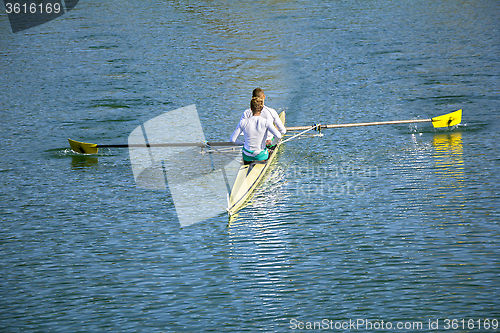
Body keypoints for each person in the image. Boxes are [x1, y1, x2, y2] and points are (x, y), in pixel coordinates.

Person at [230, 97, 282, 165]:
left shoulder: (243, 122)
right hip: (261, 156)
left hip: (247, 157)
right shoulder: (266, 122)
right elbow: (278, 136)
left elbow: (232, 140)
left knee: (246, 153)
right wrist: (272, 143)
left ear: (251, 109)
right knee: (268, 152)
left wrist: (243, 143)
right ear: (262, 109)